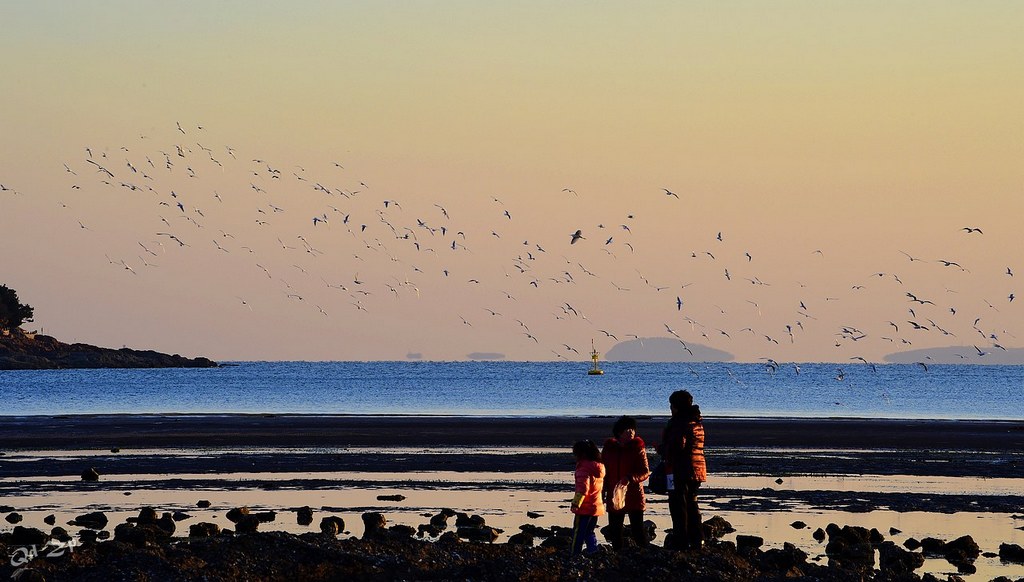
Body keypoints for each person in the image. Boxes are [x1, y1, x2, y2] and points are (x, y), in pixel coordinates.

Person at [658, 390, 707, 550]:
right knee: (692, 502)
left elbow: (678, 445)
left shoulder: (680, 423)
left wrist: (663, 449)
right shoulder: (696, 422)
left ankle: (681, 539)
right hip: (697, 467)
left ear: (676, 406)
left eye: (671, 405)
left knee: (678, 505)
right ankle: (697, 538)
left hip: (680, 468)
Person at [601, 415, 651, 549]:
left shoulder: (638, 447)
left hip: (634, 494)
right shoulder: (609, 448)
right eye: (627, 429)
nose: (631, 432)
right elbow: (603, 473)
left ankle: (646, 555)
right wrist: (602, 493)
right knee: (615, 530)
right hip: (614, 494)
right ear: (619, 432)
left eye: (632, 429)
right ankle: (618, 557)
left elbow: (645, 471)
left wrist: (629, 478)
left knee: (638, 530)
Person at [569, 439, 605, 556]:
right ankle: (592, 549)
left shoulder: (583, 468)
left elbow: (582, 489)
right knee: (589, 531)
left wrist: (576, 504)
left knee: (578, 532)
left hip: (585, 507)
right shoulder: (598, 467)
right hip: (596, 507)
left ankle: (575, 553)